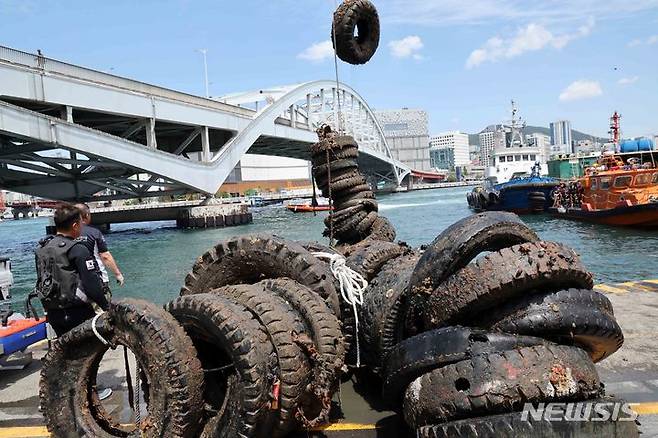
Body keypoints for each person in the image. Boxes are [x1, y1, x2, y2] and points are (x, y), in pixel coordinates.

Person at [34, 203, 111, 399]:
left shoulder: (44, 248)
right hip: (77, 312)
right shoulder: (78, 249)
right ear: (76, 225)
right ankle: (89, 392)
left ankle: (66, 390)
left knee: (66, 352)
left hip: (53, 312)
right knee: (87, 355)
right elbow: (91, 284)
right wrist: (106, 307)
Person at [75, 204, 124, 300]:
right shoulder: (94, 233)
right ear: (87, 215)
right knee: (101, 311)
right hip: (96, 281)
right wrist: (118, 274)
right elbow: (105, 256)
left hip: (72, 283)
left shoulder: (66, 234)